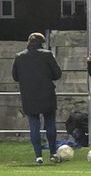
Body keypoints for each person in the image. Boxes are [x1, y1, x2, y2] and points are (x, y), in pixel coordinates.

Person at [12, 32, 63, 164]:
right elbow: (57, 74)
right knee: (50, 123)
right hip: (47, 93)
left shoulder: (19, 56)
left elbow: (15, 77)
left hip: (29, 95)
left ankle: (38, 156)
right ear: (42, 42)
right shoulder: (47, 55)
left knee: (34, 125)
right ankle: (52, 153)